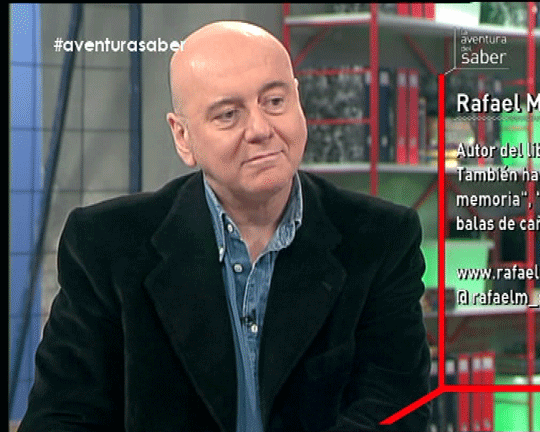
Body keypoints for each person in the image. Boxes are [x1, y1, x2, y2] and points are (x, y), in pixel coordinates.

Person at [20, 21, 431, 432]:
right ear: (183, 137)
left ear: (298, 102)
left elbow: (395, 410)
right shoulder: (105, 244)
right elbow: (61, 418)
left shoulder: (381, 237)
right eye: (229, 114)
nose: (261, 130)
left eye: (275, 101)